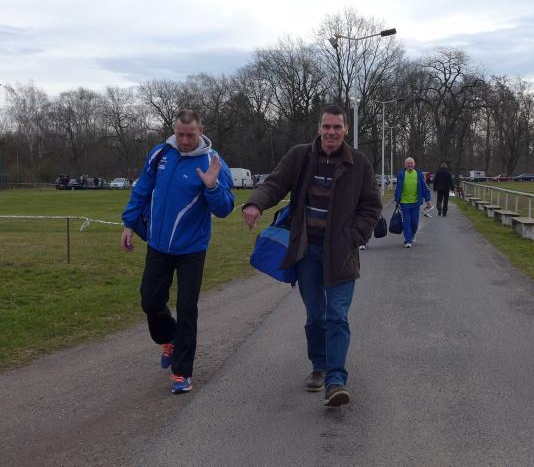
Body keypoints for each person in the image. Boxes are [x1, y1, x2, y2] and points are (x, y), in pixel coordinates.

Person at [242, 104, 381, 408]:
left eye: (337, 127)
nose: (331, 132)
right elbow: (275, 183)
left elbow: (371, 206)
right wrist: (255, 203)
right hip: (306, 252)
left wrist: (353, 237)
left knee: (337, 316)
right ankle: (319, 365)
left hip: (341, 254)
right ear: (319, 128)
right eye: (326, 126)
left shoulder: (359, 163)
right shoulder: (300, 156)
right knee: (316, 316)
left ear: (346, 130)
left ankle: (336, 380)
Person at [120, 109, 235, 395]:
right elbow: (142, 190)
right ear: (174, 130)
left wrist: (212, 186)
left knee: (186, 309)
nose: (184, 141)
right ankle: (170, 338)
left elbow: (225, 208)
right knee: (150, 301)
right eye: (180, 134)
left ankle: (182, 373)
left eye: (190, 135)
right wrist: (129, 223)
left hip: (192, 249)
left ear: (200, 131)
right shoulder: (160, 153)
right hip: (158, 245)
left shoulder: (213, 162)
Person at [394, 157, 432, 248]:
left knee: (414, 222)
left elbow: (424, 187)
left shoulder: (418, 174)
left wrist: (428, 199)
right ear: (405, 165)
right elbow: (398, 188)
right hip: (404, 203)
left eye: (411, 163)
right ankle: (407, 240)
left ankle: (413, 234)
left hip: (415, 203)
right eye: (408, 163)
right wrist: (397, 200)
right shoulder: (401, 174)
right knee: (406, 222)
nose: (410, 165)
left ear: (414, 164)